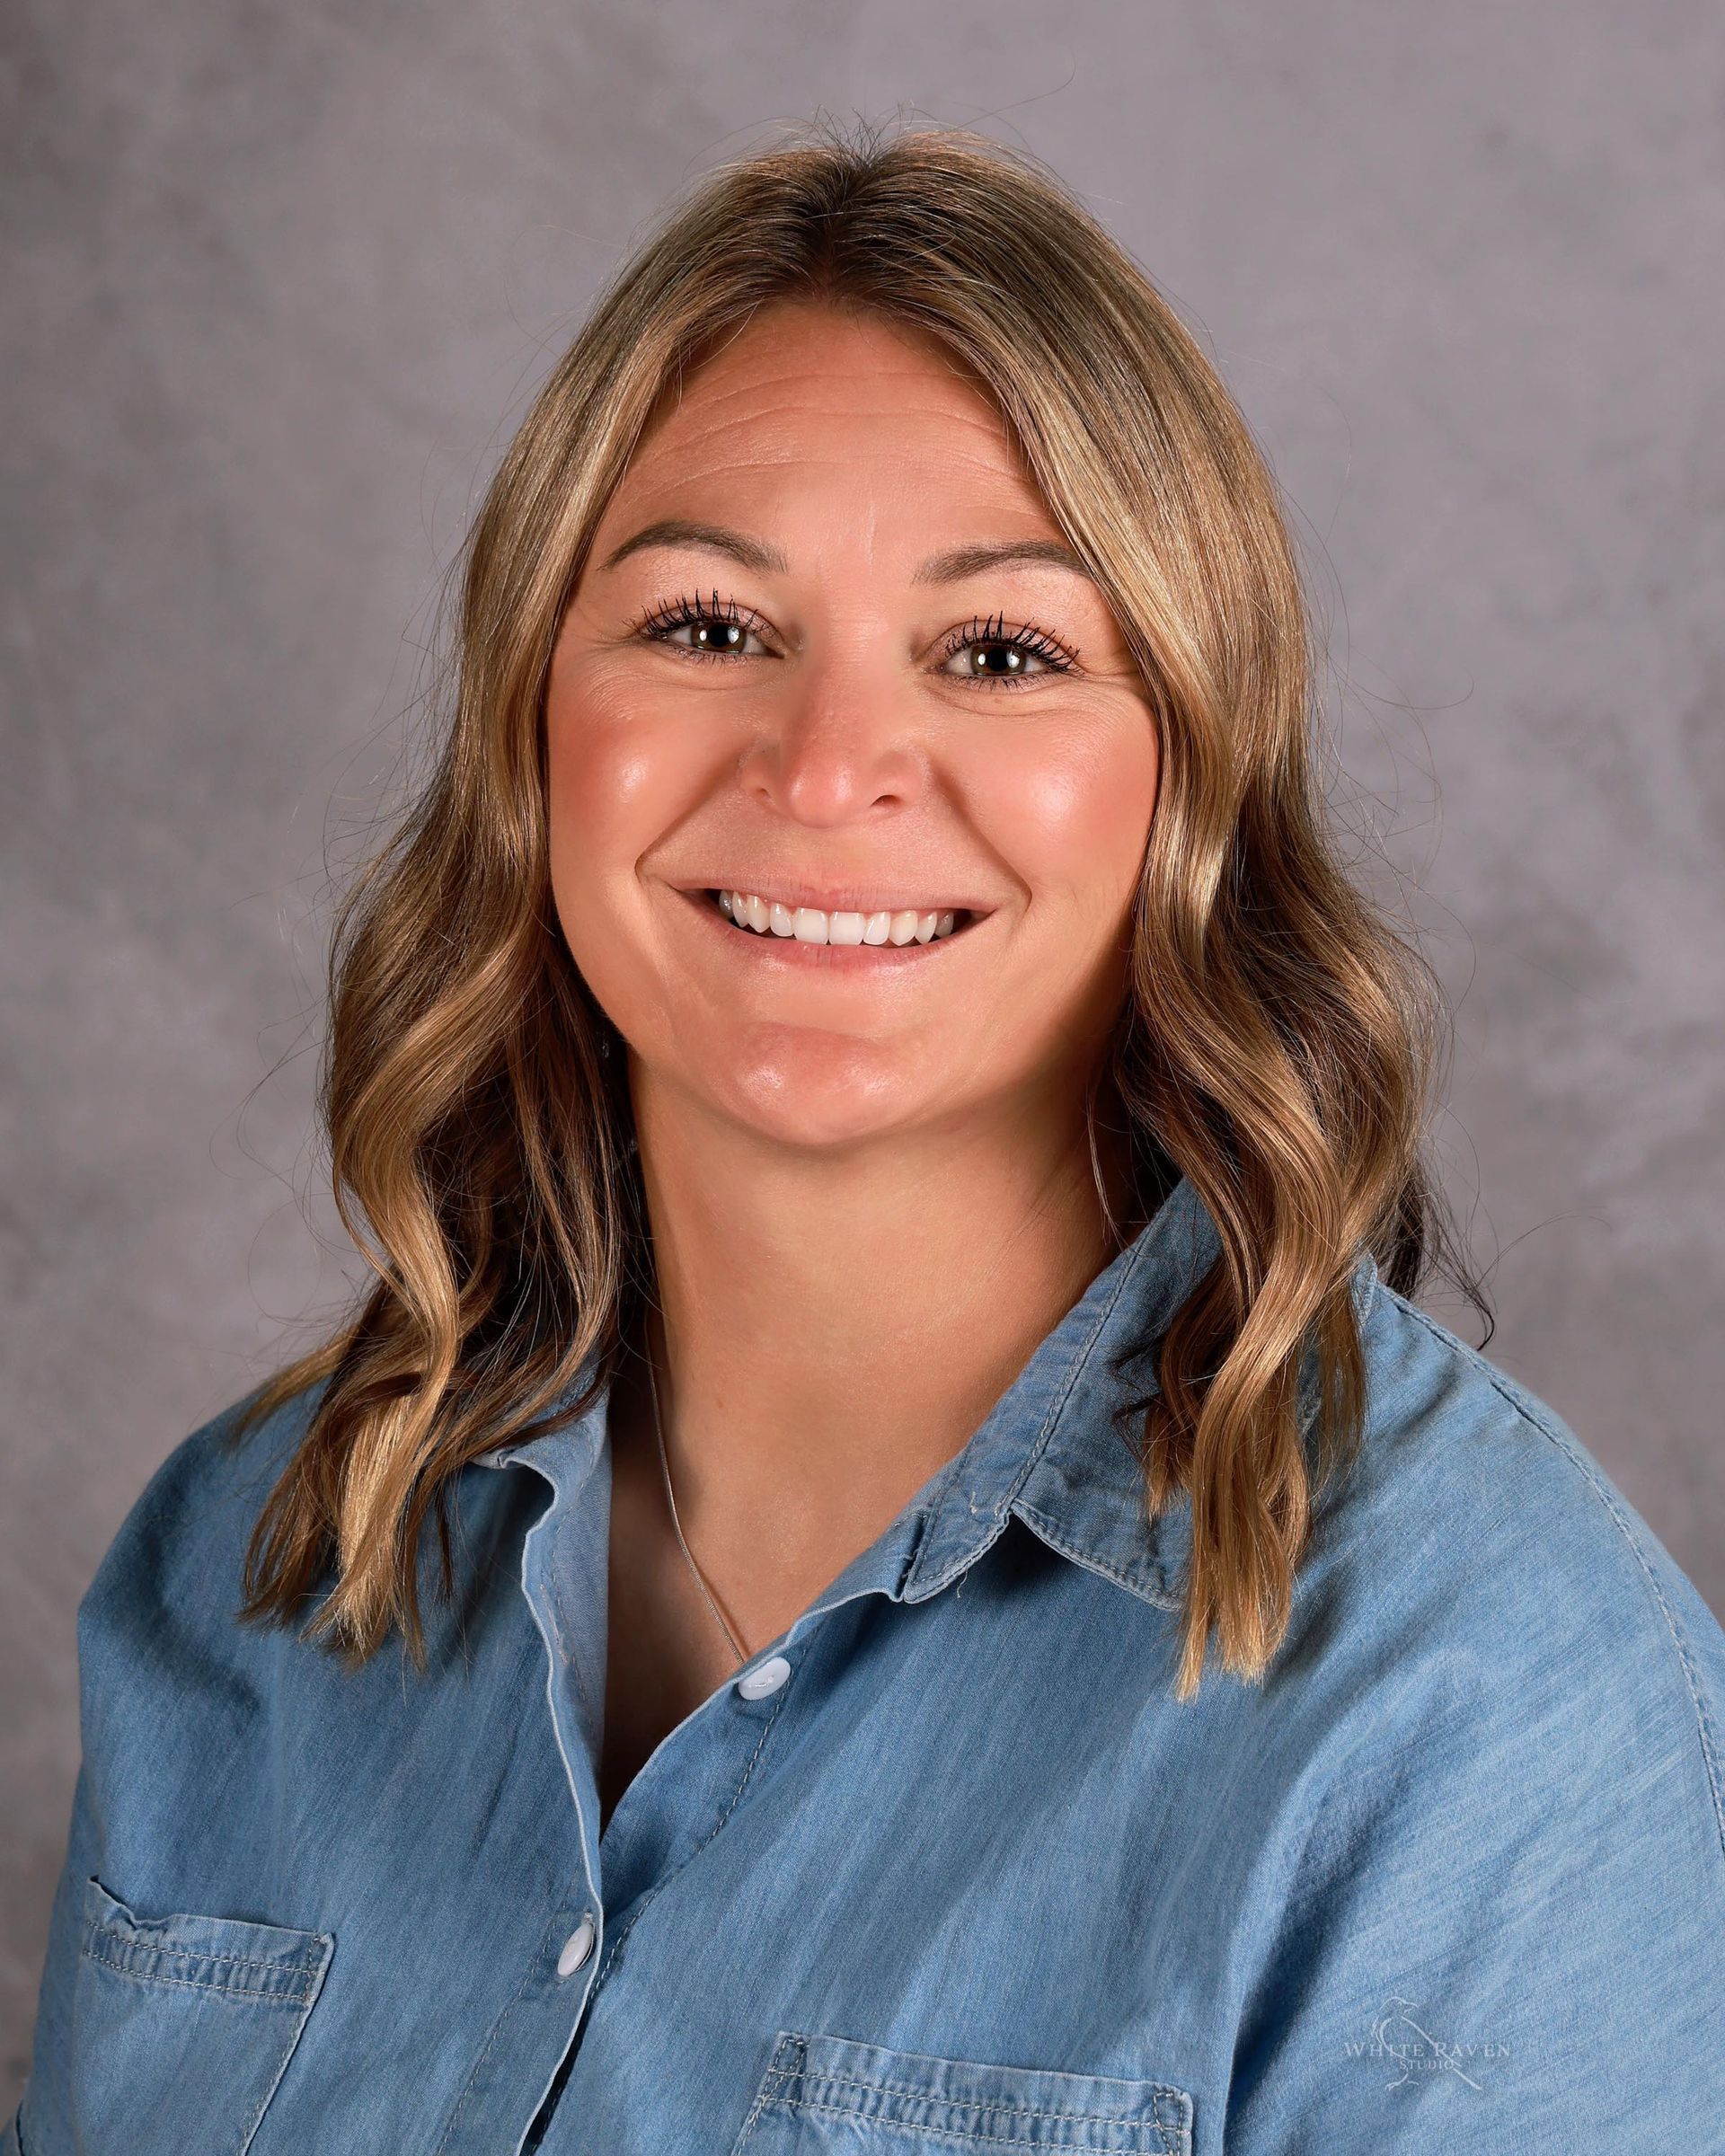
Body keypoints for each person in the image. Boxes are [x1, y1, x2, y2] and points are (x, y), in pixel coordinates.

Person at [9, 118, 1723, 2156]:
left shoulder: (1488, 1712)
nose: (827, 773)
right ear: (533, 721)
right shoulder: (249, 1570)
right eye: (708, 627)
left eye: (1001, 652)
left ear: (1190, 779)